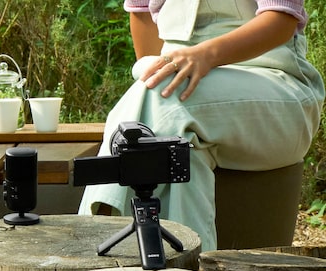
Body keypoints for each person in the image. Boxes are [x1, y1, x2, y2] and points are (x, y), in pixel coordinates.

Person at [79, 0, 325, 251]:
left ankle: (98, 232)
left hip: (274, 83)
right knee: (181, 149)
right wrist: (162, 71)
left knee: (153, 104)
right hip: (183, 93)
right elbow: (141, 13)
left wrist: (203, 55)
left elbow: (281, 20)